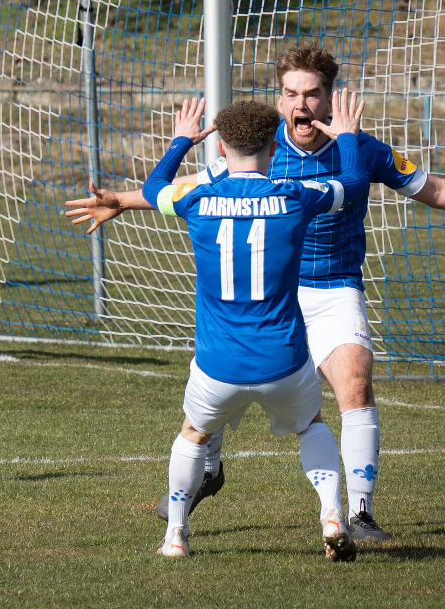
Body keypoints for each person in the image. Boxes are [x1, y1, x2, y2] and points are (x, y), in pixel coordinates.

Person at [66, 43, 445, 542]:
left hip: (334, 288)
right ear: (279, 99)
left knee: (354, 385)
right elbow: (193, 187)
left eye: (311, 94)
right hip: (270, 297)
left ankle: (360, 513)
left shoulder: (364, 149)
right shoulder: (259, 150)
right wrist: (122, 201)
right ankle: (208, 470)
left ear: (330, 98)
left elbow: (434, 189)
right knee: (228, 381)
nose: (300, 104)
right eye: (290, 93)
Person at [145, 94, 367, 560]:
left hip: (218, 364)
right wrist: (346, 136)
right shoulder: (293, 196)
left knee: (193, 434)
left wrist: (181, 142)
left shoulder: (196, 199)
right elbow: (353, 182)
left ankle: (176, 537)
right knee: (310, 425)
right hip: (283, 360)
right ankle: (332, 516)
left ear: (220, 149)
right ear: (273, 146)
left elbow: (154, 187)